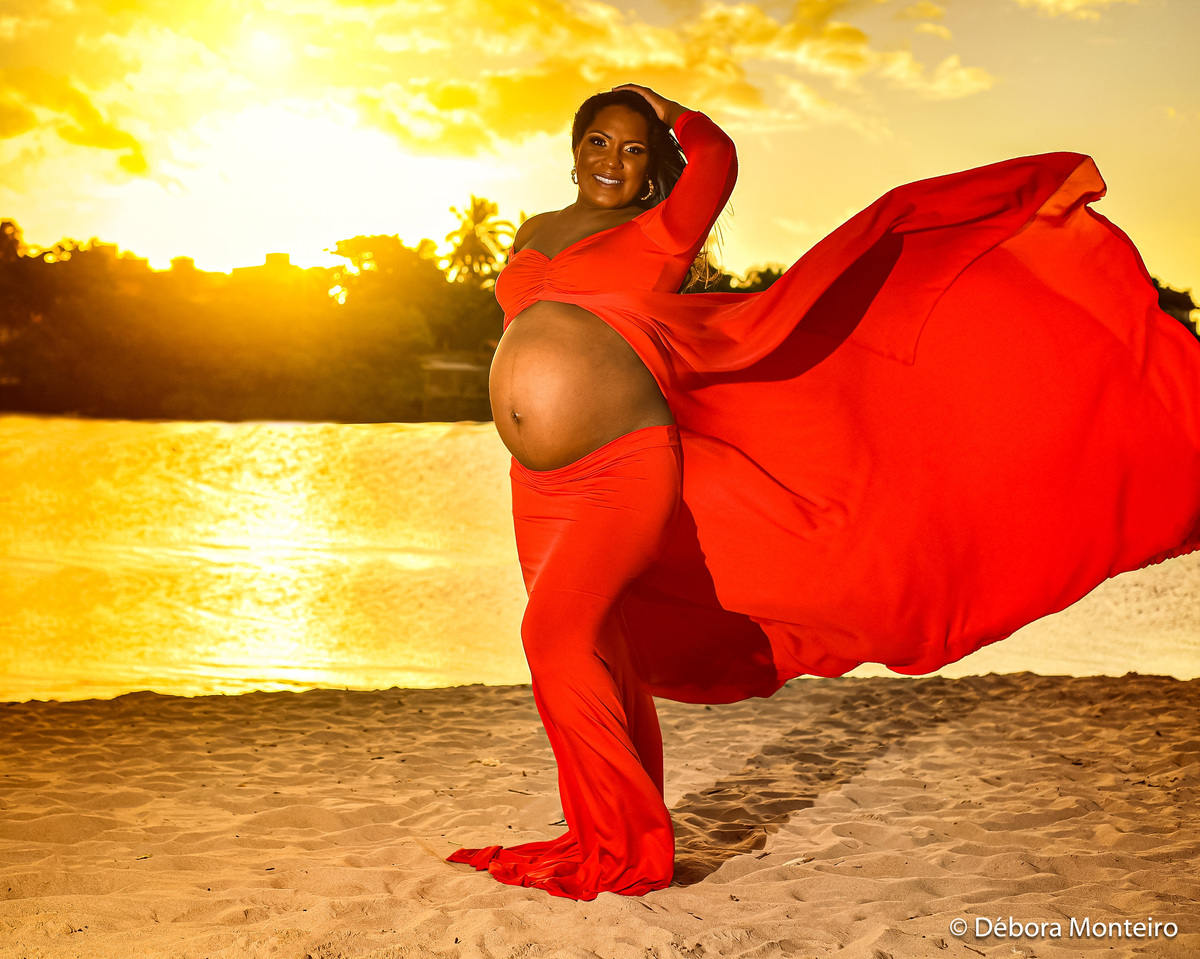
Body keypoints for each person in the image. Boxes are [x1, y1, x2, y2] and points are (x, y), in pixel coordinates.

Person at [447, 83, 1200, 900]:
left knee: (553, 637)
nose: (613, 161)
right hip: (540, 480)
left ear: (652, 165)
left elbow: (720, 159)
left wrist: (670, 110)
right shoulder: (534, 231)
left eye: (634, 149)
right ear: (575, 145)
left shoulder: (659, 229)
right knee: (603, 644)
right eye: (599, 141)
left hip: (623, 464)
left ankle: (625, 844)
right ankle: (609, 825)